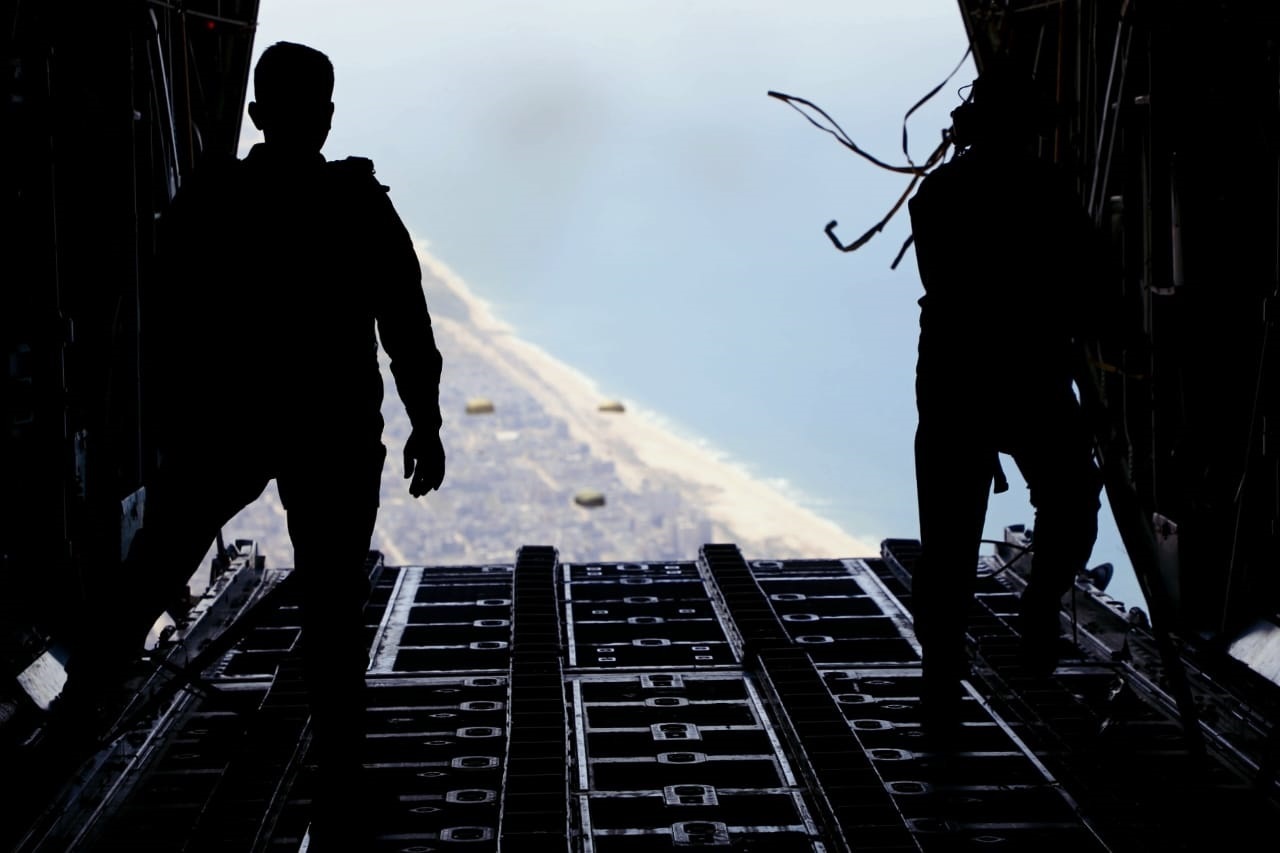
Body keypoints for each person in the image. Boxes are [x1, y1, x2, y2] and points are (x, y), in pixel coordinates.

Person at [59, 41, 446, 838]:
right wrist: (426, 424)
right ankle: (339, 783)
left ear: (257, 115)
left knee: (152, 570)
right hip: (330, 429)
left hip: (227, 424)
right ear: (326, 117)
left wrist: (166, 425)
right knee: (332, 610)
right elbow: (405, 323)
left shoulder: (211, 200)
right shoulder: (355, 202)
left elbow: (159, 318)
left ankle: (70, 721)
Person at [906, 61, 1104, 746]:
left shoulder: (942, 193)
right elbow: (1083, 279)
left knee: (954, 539)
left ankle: (946, 675)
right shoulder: (1042, 190)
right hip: (1013, 373)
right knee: (1064, 504)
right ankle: (1029, 616)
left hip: (965, 377)